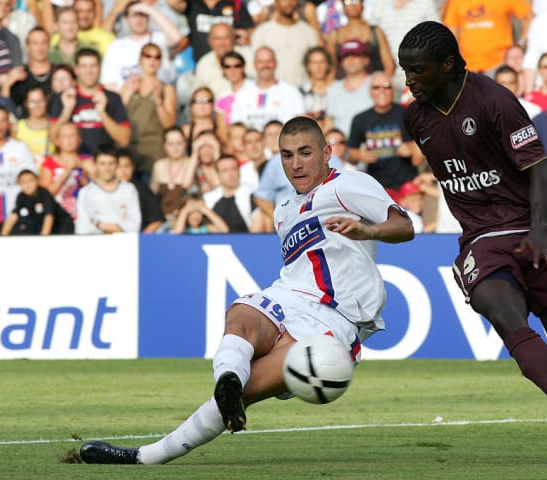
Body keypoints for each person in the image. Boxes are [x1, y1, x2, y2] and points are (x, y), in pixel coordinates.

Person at [78, 115, 415, 465]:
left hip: (336, 319)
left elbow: (404, 225)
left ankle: (147, 456)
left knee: (250, 389)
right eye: (287, 155)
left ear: (327, 152)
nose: (296, 164)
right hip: (290, 295)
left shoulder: (349, 185)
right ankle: (227, 379)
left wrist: (367, 231)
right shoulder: (283, 210)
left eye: (305, 153)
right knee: (241, 314)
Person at [398, 21, 547, 463]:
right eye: (405, 71)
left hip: (537, 229)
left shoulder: (494, 100)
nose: (408, 81)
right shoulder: (414, 117)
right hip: (482, 238)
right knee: (503, 312)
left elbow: (540, 170)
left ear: (448, 64)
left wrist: (537, 233)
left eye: (417, 71)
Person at [347, 72, 424, 197]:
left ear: (393, 91)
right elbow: (350, 155)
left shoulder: (408, 114)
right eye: (376, 87)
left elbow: (422, 151)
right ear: (370, 92)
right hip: (376, 188)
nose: (382, 91)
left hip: (408, 186)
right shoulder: (360, 119)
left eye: (387, 87)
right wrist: (359, 155)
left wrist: (410, 147)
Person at [48, 48, 131, 157]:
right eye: (84, 66)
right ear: (76, 70)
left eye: (93, 66)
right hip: (74, 165)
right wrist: (66, 112)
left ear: (99, 68)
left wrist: (102, 113)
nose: (89, 71)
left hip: (104, 166)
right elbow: (53, 138)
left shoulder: (113, 98)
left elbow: (124, 140)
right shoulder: (64, 98)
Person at [119, 42, 178, 183]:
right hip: (130, 151)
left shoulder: (166, 89)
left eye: (157, 57)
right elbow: (118, 119)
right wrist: (128, 95)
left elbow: (169, 124)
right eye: (148, 56)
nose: (152, 60)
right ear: (140, 60)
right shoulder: (129, 86)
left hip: (154, 152)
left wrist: (158, 102)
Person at [443, 0, 531, 76]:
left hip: (499, 65)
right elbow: (451, 29)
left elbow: (529, 17)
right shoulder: (456, 1)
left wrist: (520, 44)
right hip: (468, 66)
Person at [250, 0, 320, 87]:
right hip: (273, 90)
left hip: (301, 88)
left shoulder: (308, 32)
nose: (289, 3)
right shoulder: (262, 32)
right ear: (276, 3)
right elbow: (255, 65)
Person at [75, 143, 142, 234]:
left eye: (111, 163)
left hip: (124, 244)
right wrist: (116, 227)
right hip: (95, 244)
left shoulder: (129, 190)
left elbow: (135, 226)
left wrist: (99, 224)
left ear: (117, 164)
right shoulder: (86, 192)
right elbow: (82, 228)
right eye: (102, 164)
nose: (107, 168)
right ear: (95, 164)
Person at [0, 105, 35, 235]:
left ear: (8, 124)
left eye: (3, 120)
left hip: (17, 219)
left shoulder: (20, 149)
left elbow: (31, 182)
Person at [325, 0, 394, 80]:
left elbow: (389, 65)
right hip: (343, 86)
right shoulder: (334, 34)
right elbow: (331, 68)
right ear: (343, 6)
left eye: (356, 1)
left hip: (371, 85)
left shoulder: (375, 31)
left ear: (363, 5)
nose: (353, 5)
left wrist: (380, 85)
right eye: (348, 2)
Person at [38, 121, 93, 220]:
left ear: (79, 139)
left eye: (72, 135)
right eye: (64, 136)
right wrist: (66, 172)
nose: (69, 139)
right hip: (58, 215)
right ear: (57, 141)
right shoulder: (49, 163)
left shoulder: (89, 161)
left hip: (84, 214)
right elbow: (44, 195)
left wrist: (90, 171)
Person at [0, 169, 73, 235]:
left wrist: (43, 239)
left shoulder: (44, 194)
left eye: (30, 181)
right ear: (19, 184)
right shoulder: (21, 196)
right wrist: (3, 236)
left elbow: (49, 217)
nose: (27, 185)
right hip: (38, 227)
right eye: (23, 182)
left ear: (37, 181)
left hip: (61, 227)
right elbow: (13, 216)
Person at [202, 154, 260, 232]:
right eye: (225, 171)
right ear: (217, 174)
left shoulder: (252, 195)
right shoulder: (209, 199)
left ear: (239, 171)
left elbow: (258, 227)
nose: (231, 174)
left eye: (234, 169)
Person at [117, 149, 165, 233]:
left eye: (127, 166)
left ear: (133, 167)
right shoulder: (102, 191)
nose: (123, 171)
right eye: (119, 167)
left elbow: (157, 220)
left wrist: (140, 239)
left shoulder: (142, 190)